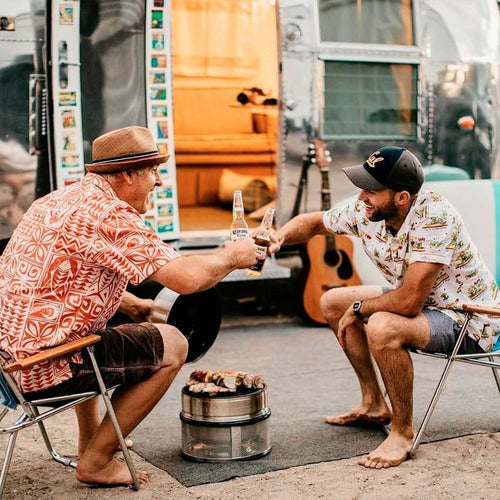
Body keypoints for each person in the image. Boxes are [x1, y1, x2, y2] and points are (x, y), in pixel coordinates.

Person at [0, 126, 258, 486]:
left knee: (93, 332)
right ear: (127, 174)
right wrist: (233, 256)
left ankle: (89, 439)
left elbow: (64, 280)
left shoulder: (57, 201)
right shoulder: (109, 215)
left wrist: (136, 304)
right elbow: (188, 279)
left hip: (10, 362)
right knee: (173, 344)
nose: (159, 182)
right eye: (153, 171)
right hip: (43, 368)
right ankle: (97, 460)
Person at [268, 146, 500, 469]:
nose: (362, 196)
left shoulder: (434, 215)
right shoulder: (366, 210)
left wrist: (363, 308)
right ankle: (374, 403)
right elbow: (314, 223)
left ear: (402, 197)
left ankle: (403, 431)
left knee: (381, 326)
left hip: (467, 317)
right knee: (332, 302)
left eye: (372, 190)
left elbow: (408, 301)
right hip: (423, 302)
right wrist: (277, 237)